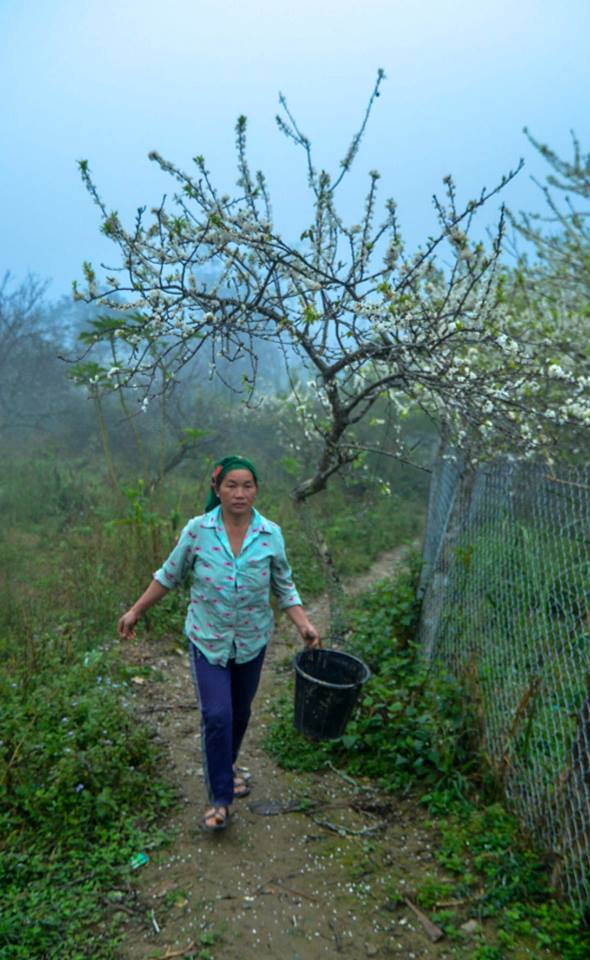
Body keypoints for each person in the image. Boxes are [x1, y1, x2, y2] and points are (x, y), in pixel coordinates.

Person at [117, 455, 321, 832]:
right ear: (217, 489)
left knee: (239, 713)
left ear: (256, 490)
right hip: (207, 640)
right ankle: (221, 798)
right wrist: (136, 612)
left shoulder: (270, 534)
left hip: (251, 641)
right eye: (231, 486)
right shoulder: (198, 531)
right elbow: (169, 575)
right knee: (217, 715)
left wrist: (304, 625)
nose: (240, 494)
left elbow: (284, 585)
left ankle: (224, 766)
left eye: (247, 486)